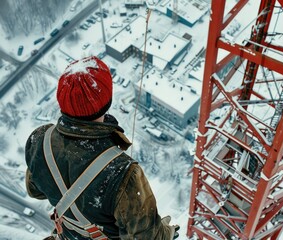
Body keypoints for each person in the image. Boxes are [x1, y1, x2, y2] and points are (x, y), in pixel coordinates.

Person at [25, 56, 179, 240]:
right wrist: (166, 230)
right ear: (107, 100)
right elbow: (149, 238)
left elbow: (35, 190)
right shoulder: (123, 173)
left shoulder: (40, 140)